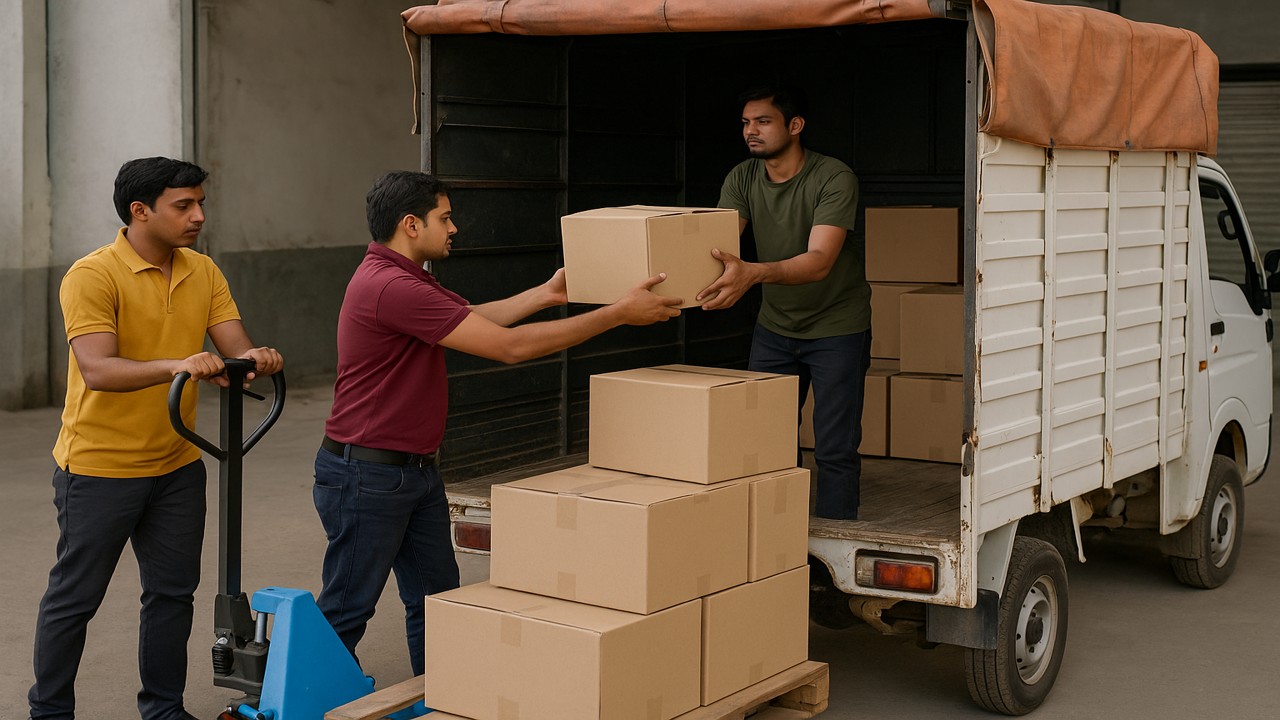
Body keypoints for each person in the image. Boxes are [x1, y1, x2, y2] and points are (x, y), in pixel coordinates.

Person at [314, 170, 682, 675]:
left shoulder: (405, 276)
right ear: (410, 225)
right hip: (368, 476)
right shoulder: (391, 285)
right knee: (345, 612)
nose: (454, 228)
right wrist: (617, 314)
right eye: (445, 218)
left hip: (412, 472)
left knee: (437, 602)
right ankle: (297, 706)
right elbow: (509, 348)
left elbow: (468, 317)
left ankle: (442, 699)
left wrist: (545, 295)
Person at [29, 157, 284, 720]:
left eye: (200, 203)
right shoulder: (92, 275)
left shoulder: (203, 270)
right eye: (183, 205)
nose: (198, 216)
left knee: (171, 596)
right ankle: (49, 713)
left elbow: (232, 351)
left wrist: (256, 360)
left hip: (175, 464)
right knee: (75, 600)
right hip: (98, 469)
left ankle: (163, 710)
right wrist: (183, 365)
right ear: (139, 211)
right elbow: (98, 369)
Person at [698, 85, 869, 521]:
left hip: (837, 328)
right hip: (774, 329)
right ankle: (775, 536)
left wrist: (753, 272)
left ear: (795, 126)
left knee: (834, 446)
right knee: (766, 442)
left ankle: (835, 533)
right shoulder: (742, 177)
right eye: (745, 123)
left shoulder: (834, 177)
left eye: (763, 121)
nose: (750, 131)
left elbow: (818, 262)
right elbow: (714, 247)